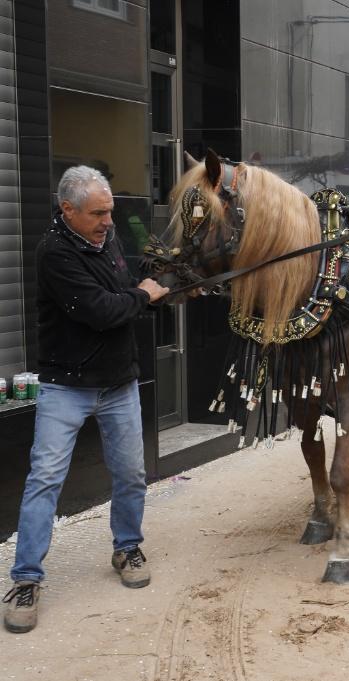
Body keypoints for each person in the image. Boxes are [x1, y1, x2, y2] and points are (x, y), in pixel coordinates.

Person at [4, 166, 169, 634]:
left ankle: (126, 546)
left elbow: (124, 296)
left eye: (111, 211)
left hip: (119, 384)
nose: (108, 221)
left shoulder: (108, 239)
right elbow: (98, 310)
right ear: (68, 210)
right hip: (66, 388)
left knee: (132, 474)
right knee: (45, 481)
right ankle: (26, 581)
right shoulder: (54, 253)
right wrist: (143, 295)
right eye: (98, 213)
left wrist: (154, 293)